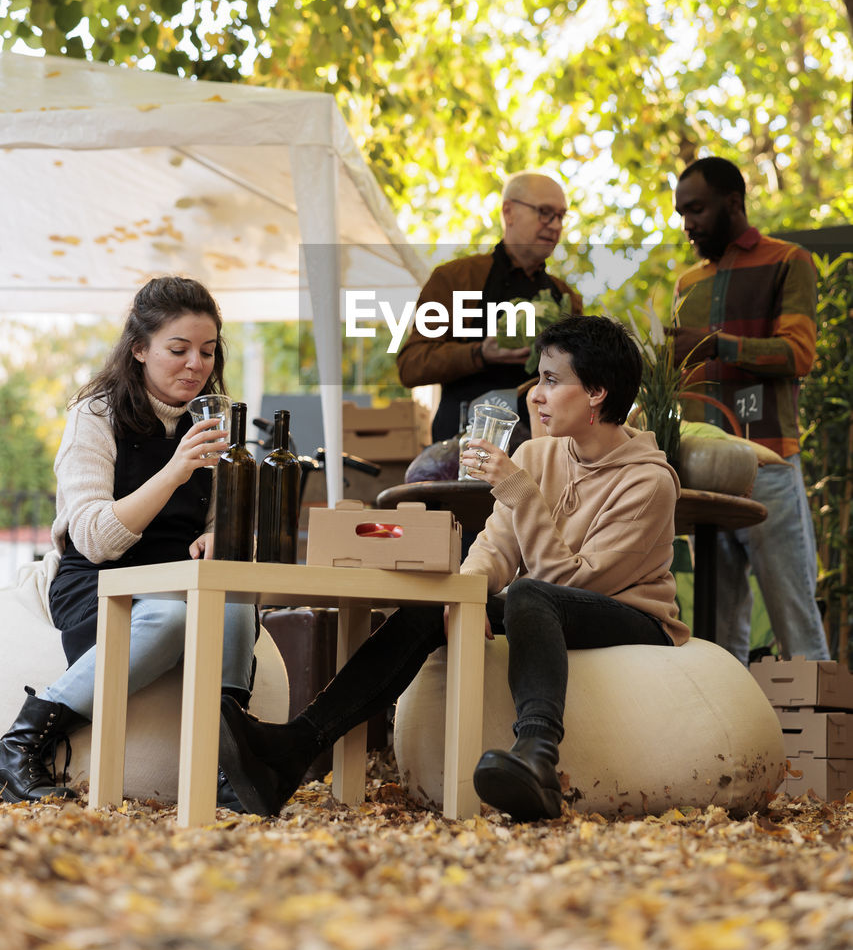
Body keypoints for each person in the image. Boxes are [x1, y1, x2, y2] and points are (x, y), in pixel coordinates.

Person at [218, 314, 688, 822]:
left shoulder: (649, 484)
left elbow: (573, 583)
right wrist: (462, 595)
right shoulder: (537, 454)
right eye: (539, 380)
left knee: (531, 594)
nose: (536, 395)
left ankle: (538, 757)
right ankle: (292, 751)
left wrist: (520, 493)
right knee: (433, 606)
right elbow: (495, 549)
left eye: (552, 381)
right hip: (550, 603)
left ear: (597, 392)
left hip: (631, 615)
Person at [0, 276, 258, 808]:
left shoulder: (212, 418)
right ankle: (20, 744)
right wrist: (176, 470)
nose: (196, 365)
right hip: (99, 581)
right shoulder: (95, 415)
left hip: (176, 577)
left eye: (208, 352)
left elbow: (219, 517)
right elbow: (93, 538)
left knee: (234, 605)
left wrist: (214, 535)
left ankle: (227, 768)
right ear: (139, 349)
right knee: (171, 618)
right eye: (178, 349)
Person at [672, 156, 829, 665]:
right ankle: (729, 744)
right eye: (681, 212)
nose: (687, 223)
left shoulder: (789, 260)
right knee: (717, 639)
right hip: (701, 474)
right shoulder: (686, 283)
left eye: (695, 209)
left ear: (733, 203)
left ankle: (825, 743)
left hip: (769, 464)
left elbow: (797, 354)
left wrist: (715, 344)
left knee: (796, 625)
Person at [397, 172, 582, 442]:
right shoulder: (456, 279)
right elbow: (411, 365)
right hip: (464, 445)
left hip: (543, 447)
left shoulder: (566, 297)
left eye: (561, 216)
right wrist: (480, 354)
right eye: (544, 212)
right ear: (509, 212)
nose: (555, 225)